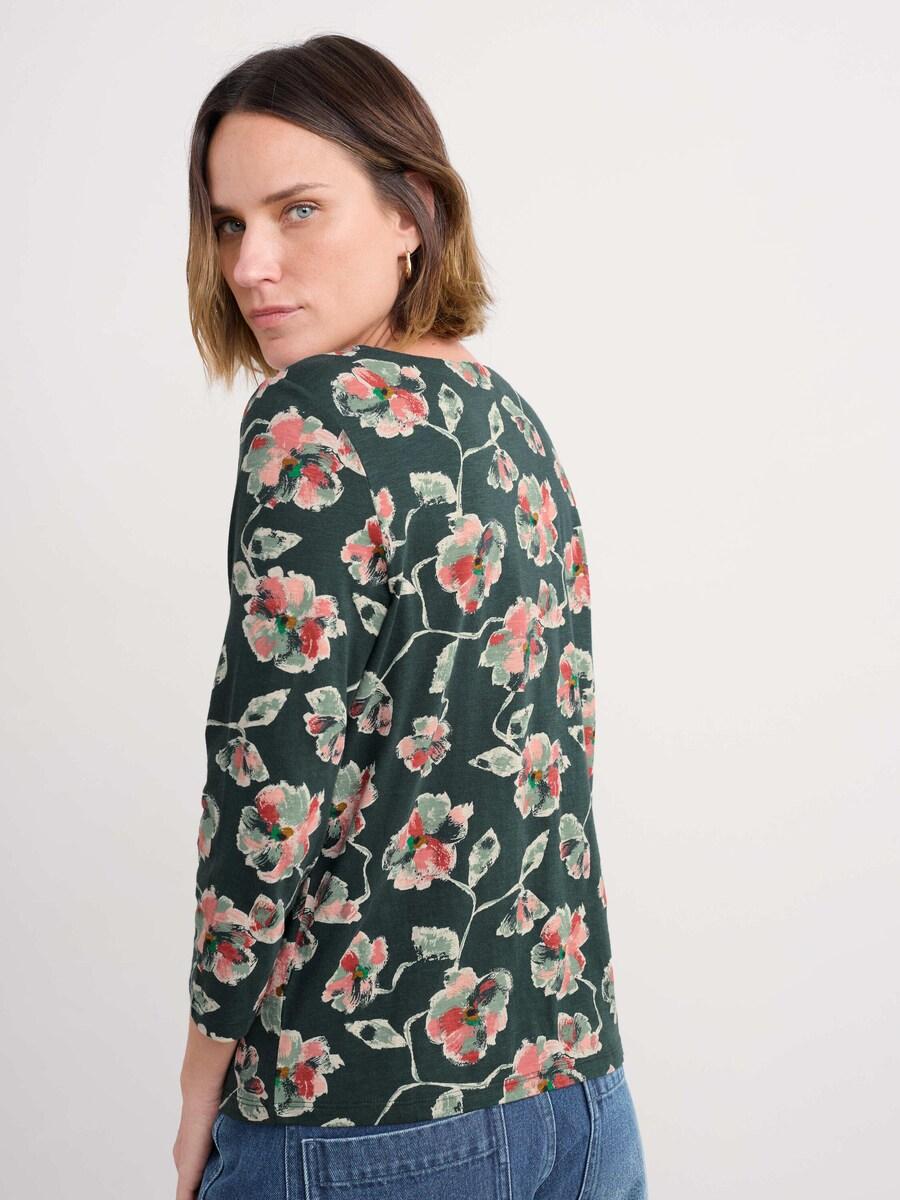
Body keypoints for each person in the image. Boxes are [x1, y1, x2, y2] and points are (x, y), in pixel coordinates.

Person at [173, 32, 648, 1200]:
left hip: (363, 1119)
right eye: (228, 223)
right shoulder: (509, 417)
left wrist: (199, 1084)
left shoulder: (312, 418)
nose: (250, 264)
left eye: (297, 210)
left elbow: (270, 788)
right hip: (578, 1098)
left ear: (409, 212)